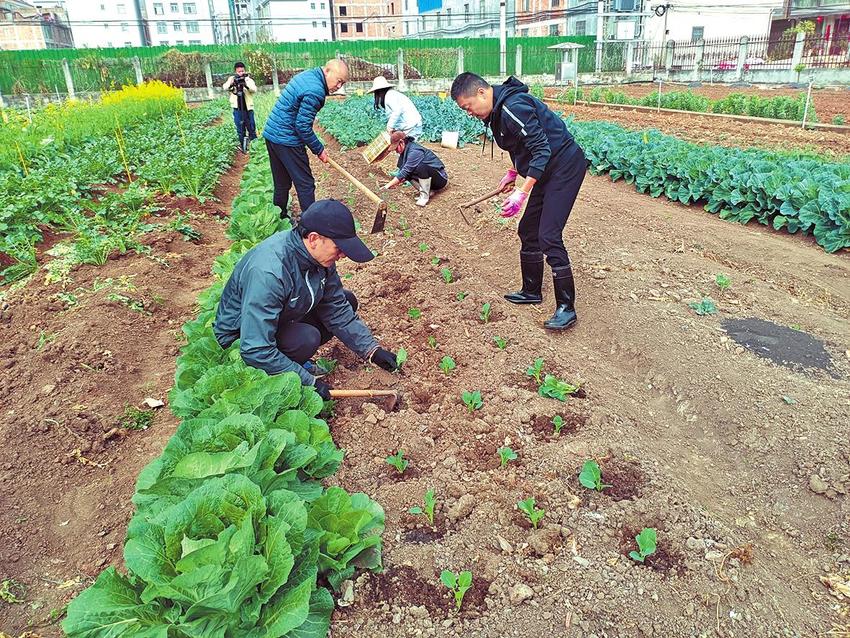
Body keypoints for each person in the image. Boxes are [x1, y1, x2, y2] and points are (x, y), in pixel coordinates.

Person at [213, 199, 400, 399]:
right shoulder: (269, 272)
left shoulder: (320, 259)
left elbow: (336, 308)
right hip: (244, 338)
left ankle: (289, 363)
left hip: (279, 317)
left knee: (347, 300)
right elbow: (255, 348)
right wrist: (308, 381)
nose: (343, 255)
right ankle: (286, 369)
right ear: (313, 239)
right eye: (339, 247)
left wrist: (372, 350)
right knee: (306, 338)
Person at [450, 72, 586, 331]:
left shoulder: (514, 107)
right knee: (528, 230)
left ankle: (567, 308)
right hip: (545, 168)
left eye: (468, 107)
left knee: (549, 234)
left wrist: (522, 191)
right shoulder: (496, 112)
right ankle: (531, 290)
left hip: (564, 166)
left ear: (481, 92)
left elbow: (542, 149)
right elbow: (518, 146)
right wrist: (513, 173)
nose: (469, 112)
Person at [263, 59, 349, 219]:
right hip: (286, 139)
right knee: (305, 184)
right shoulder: (315, 90)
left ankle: (277, 219)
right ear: (327, 71)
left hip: (272, 134)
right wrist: (319, 149)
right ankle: (311, 225)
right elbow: (302, 126)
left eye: (342, 83)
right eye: (338, 81)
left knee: (281, 183)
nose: (339, 87)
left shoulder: (309, 75)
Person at [381, 131, 448, 207]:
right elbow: (403, 172)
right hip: (431, 177)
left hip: (440, 179)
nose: (396, 151)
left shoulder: (415, 151)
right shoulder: (405, 151)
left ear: (401, 142)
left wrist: (387, 185)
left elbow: (405, 172)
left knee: (420, 167)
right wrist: (395, 183)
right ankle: (429, 192)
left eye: (396, 148)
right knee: (408, 173)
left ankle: (424, 197)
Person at [368, 76, 423, 141]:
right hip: (411, 125)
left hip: (412, 126)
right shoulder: (391, 94)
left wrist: (390, 126)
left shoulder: (390, 96)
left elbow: (398, 110)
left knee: (409, 147)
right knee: (404, 147)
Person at [222, 61, 257, 151]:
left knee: (251, 127)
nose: (241, 73)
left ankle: (255, 146)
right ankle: (243, 147)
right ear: (235, 71)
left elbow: (254, 89)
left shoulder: (248, 80)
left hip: (248, 108)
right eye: (239, 72)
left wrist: (245, 84)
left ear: (245, 70)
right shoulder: (232, 79)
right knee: (240, 129)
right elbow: (225, 87)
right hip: (237, 108)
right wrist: (232, 83)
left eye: (242, 71)